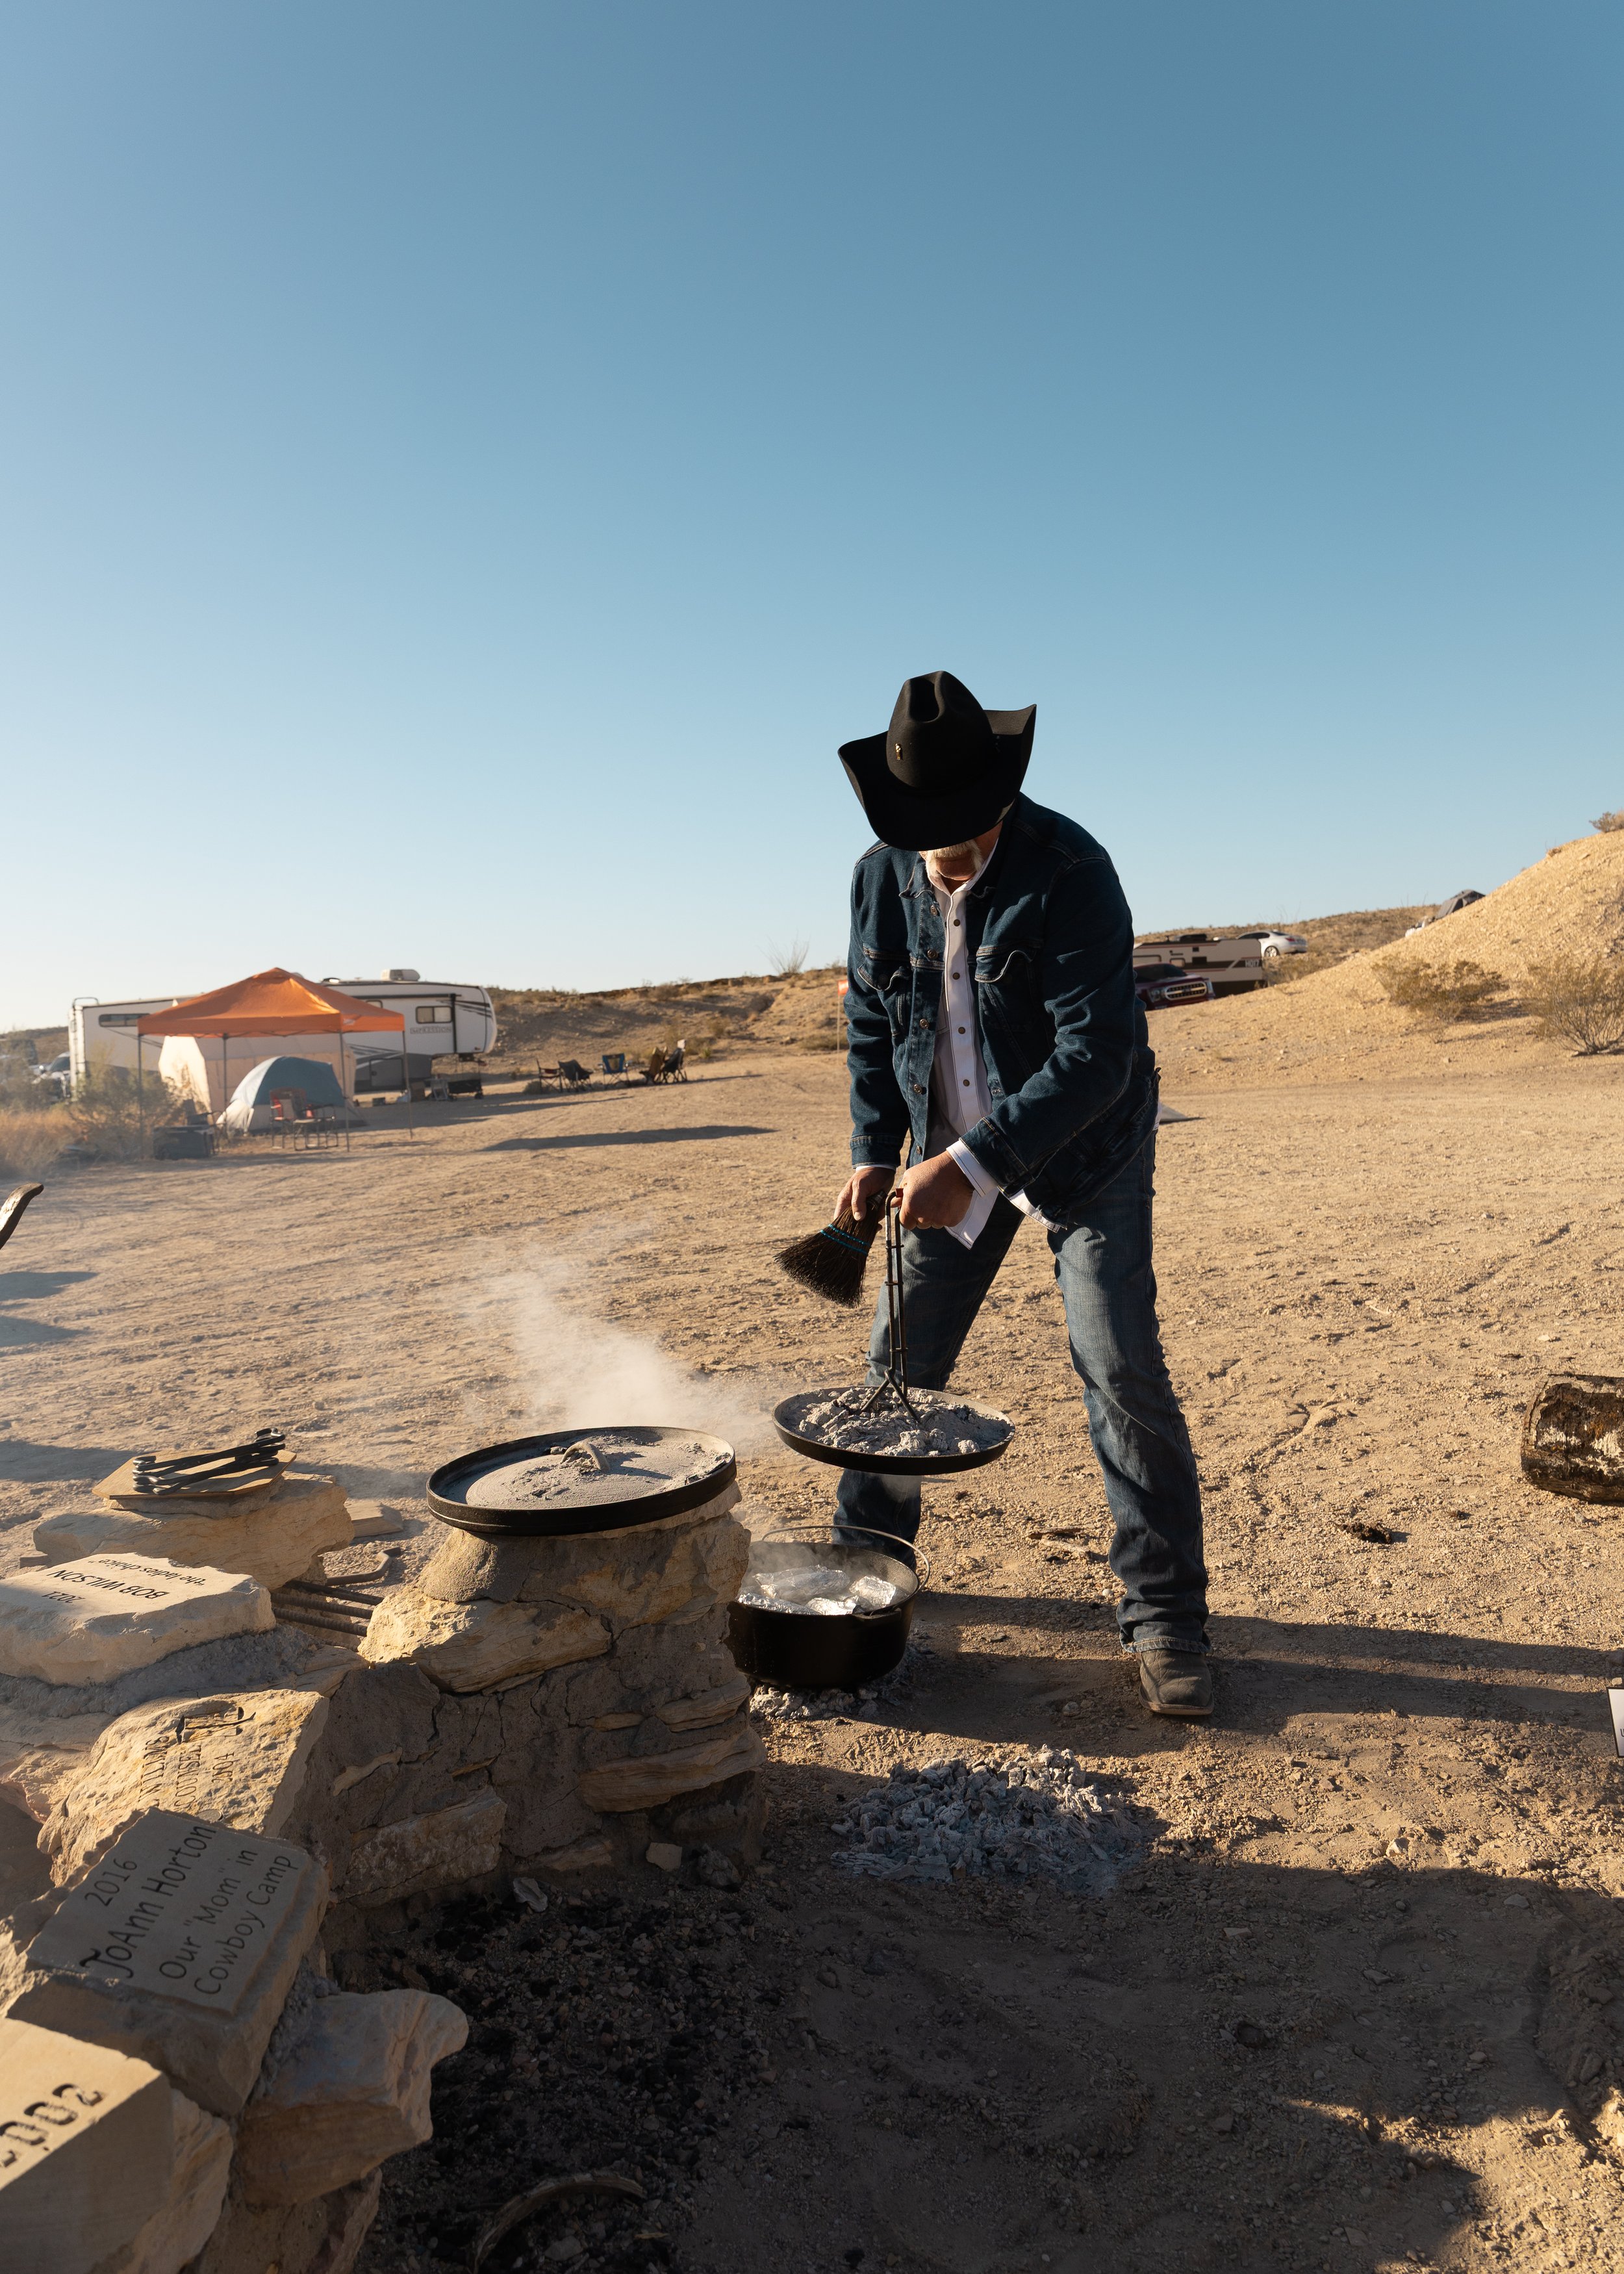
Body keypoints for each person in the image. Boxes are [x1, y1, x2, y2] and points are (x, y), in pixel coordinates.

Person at [831, 669, 1212, 1718]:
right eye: (923, 829)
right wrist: (876, 1147)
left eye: (959, 826)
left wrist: (972, 1165)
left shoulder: (1072, 868)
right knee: (893, 1378)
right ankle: (862, 1587)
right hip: (945, 1152)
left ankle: (1166, 1617)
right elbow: (870, 1024)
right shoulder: (877, 878)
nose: (941, 848)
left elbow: (1098, 1058)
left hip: (1087, 1153)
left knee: (1120, 1368)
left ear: (1001, 795)